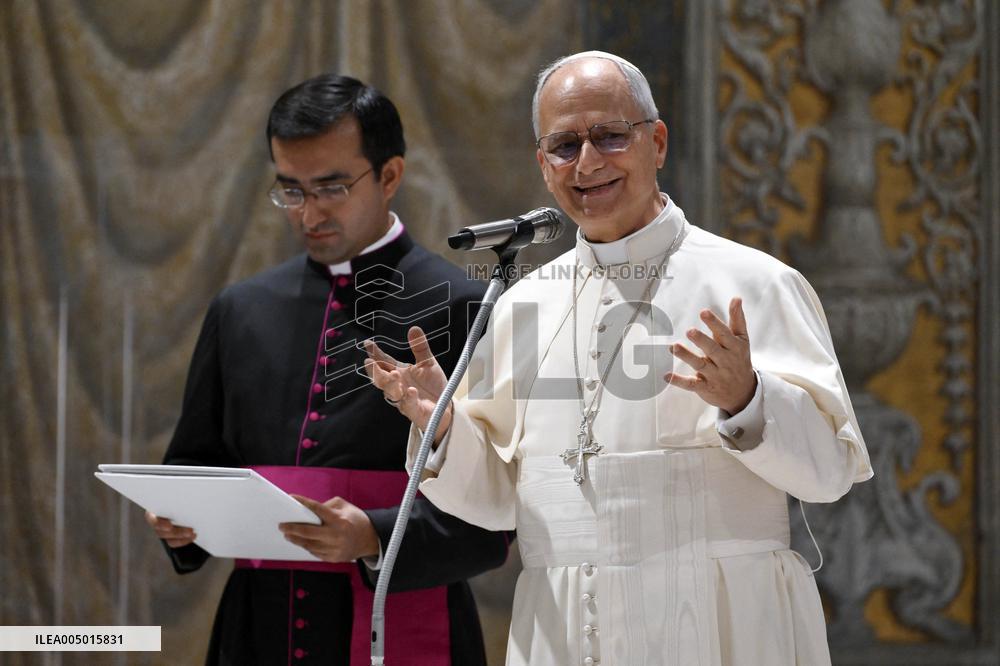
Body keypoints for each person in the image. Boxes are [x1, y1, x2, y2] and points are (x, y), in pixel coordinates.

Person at [365, 51, 873, 665]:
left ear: (656, 142)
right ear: (542, 163)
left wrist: (749, 398)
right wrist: (443, 427)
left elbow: (830, 474)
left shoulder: (755, 284)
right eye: (563, 145)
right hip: (569, 627)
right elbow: (500, 501)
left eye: (610, 136)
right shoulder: (523, 305)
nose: (587, 163)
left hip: (725, 622)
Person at [145, 73, 510, 666]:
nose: (307, 213)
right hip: (257, 628)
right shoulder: (240, 310)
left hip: (406, 620)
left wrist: (376, 534)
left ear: (390, 175)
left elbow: (497, 519)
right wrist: (180, 519)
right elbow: (194, 461)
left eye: (330, 188)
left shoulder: (462, 304)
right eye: (290, 190)